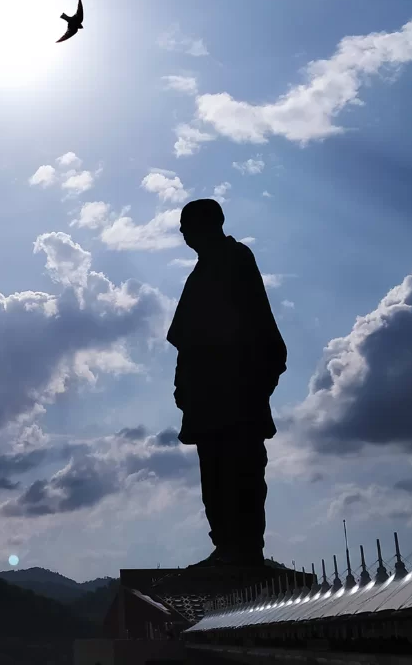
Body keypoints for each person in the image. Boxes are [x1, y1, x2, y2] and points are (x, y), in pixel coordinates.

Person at [166, 199, 287, 568]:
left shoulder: (234, 259)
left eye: (187, 224)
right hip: (208, 394)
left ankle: (245, 549)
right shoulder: (201, 271)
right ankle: (227, 545)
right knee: (214, 475)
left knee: (241, 471)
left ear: (209, 224)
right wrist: (185, 385)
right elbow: (187, 339)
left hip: (235, 390)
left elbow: (252, 324)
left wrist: (252, 379)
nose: (183, 232)